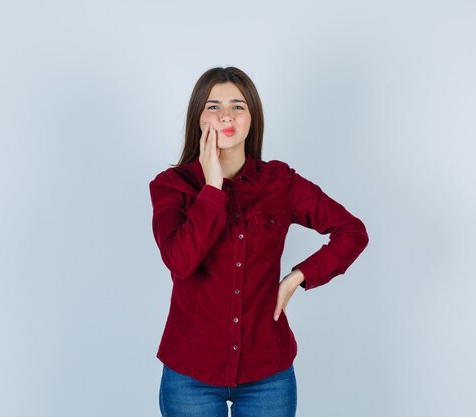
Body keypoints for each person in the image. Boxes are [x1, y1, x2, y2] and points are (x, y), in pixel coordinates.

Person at [149, 67, 369, 417]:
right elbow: (180, 261)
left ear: (253, 117)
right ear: (197, 118)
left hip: (268, 373)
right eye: (213, 106)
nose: (226, 115)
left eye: (238, 106)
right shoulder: (171, 186)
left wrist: (298, 277)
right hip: (190, 375)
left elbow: (352, 232)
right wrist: (212, 187)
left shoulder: (280, 182)